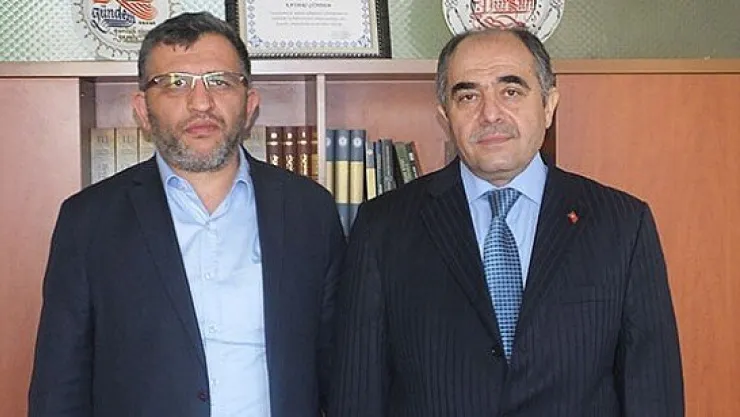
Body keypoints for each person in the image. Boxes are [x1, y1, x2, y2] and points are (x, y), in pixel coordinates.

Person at [329, 27, 684, 416]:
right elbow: (357, 396)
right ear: (445, 115)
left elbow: (654, 395)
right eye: (468, 97)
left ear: (548, 105)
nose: (490, 113)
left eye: (511, 91)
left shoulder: (622, 226)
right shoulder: (382, 229)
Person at [28, 12, 345, 417]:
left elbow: (339, 368)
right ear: (143, 109)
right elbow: (58, 388)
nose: (201, 103)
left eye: (220, 81)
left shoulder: (309, 211)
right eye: (175, 83)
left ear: (250, 103)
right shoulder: (89, 221)